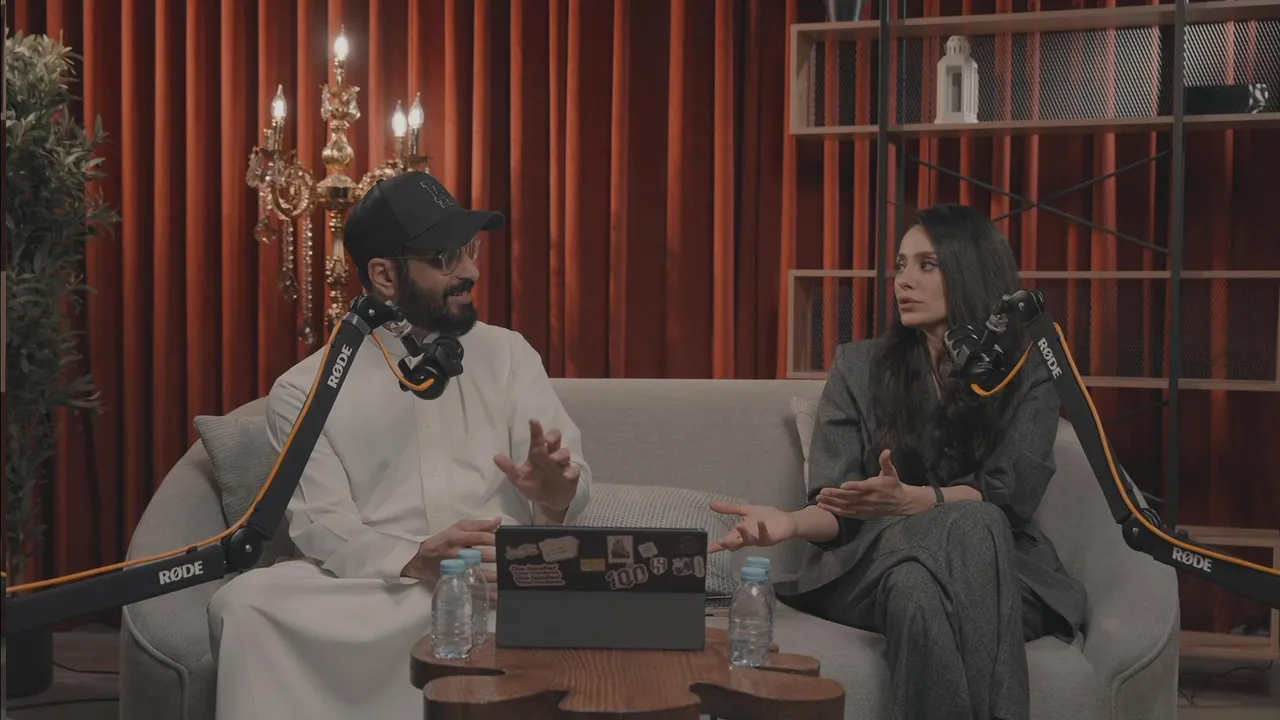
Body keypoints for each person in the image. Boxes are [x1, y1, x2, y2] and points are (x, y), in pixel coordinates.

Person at [207, 171, 592, 720]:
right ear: (385, 275)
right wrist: (414, 558)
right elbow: (321, 523)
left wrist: (556, 496)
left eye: (470, 250)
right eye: (446, 258)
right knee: (245, 604)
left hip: (492, 580)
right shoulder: (305, 388)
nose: (471, 271)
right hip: (380, 588)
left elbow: (566, 485)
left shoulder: (509, 354)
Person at [709, 204, 1087, 720]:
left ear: (972, 270)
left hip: (1004, 567)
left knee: (920, 587)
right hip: (872, 558)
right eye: (901, 265)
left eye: (926, 265)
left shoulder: (1028, 368)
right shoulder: (858, 366)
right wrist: (790, 523)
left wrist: (916, 500)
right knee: (972, 522)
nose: (904, 281)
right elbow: (838, 505)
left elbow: (1013, 493)